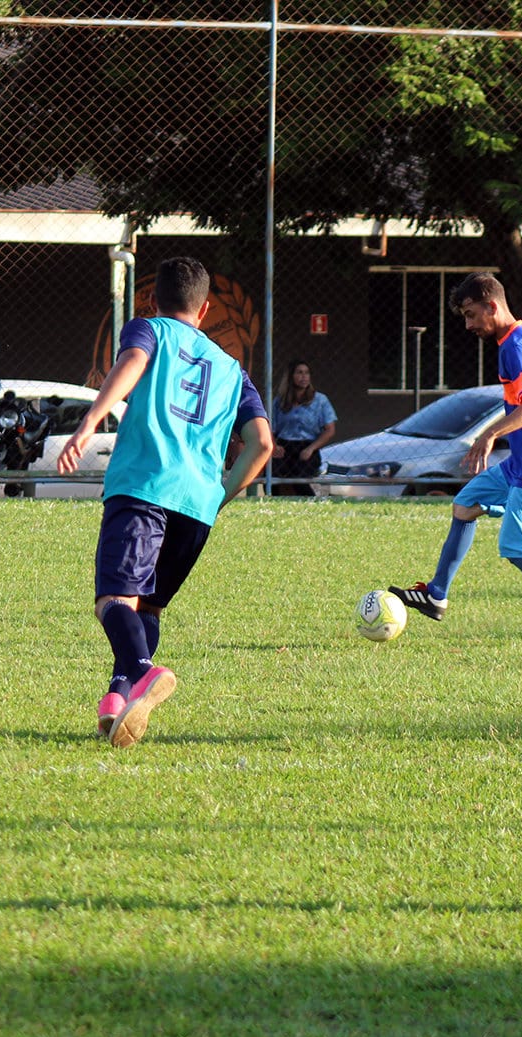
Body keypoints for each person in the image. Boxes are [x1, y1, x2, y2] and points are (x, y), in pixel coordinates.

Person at [57, 256, 272, 747]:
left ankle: (143, 672)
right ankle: (118, 698)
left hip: (144, 487)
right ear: (204, 310)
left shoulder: (148, 329)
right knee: (145, 609)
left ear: (153, 301)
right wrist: (219, 496)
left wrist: (90, 422)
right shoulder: (232, 368)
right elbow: (262, 443)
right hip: (197, 504)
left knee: (112, 600)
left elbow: (132, 362)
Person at [389, 272, 522, 646]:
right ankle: (437, 594)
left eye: (470, 315)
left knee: (520, 549)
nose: (468, 325)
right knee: (466, 504)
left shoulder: (514, 348)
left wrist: (489, 433)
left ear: (492, 306)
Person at [270, 360, 336, 496]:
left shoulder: (320, 400)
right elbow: (270, 428)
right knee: (272, 475)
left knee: (299, 477)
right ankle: (275, 502)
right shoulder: (280, 401)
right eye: (299, 373)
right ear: (290, 377)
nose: (304, 377)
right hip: (284, 445)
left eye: (306, 373)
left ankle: (311, 502)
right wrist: (275, 446)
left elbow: (330, 430)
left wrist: (311, 449)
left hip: (307, 446)